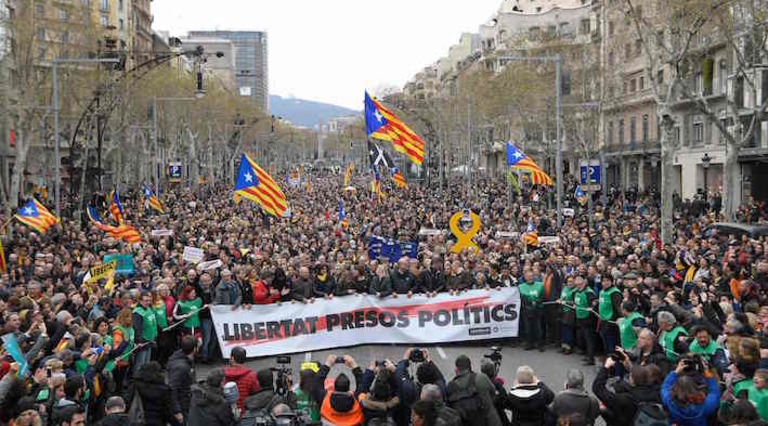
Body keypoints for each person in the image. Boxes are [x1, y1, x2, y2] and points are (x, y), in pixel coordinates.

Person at [592, 358, 664, 425]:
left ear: (632, 379)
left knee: (603, 409)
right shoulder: (657, 392)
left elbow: (598, 388)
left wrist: (606, 367)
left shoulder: (627, 399)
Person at [660, 358, 720, 426]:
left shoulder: (670, 401)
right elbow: (714, 393)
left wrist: (675, 372)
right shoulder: (704, 405)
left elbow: (664, 387)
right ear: (694, 387)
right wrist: (707, 373)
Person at [445, 354, 501, 426]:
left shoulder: (450, 386)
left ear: (456, 369)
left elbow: (449, 409)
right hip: (487, 421)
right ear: (470, 366)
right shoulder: (481, 378)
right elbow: (493, 394)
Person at [128, 361, 182, 426]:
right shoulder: (164, 390)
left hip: (138, 421)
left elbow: (128, 402)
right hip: (158, 422)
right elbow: (168, 412)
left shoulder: (136, 386)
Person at [317, 354, 364, 425]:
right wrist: (354, 365)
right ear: (349, 388)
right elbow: (362, 384)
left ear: (334, 388)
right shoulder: (358, 398)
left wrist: (327, 365)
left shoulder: (324, 398)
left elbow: (317, 383)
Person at [167, 336, 196, 416]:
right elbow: (172, 389)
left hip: (188, 401)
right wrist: (177, 411)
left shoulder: (187, 359)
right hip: (183, 405)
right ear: (194, 349)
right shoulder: (180, 367)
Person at [224, 346, 259, 412]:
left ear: (232, 358)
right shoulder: (251, 375)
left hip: (226, 412)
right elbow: (256, 392)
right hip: (245, 412)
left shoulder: (222, 374)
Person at [131, 292, 158, 377]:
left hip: (150, 340)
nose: (148, 303)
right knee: (140, 364)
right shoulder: (138, 312)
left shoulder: (149, 309)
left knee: (147, 364)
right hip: (143, 342)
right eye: (146, 301)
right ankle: (137, 380)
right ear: (140, 301)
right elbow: (136, 328)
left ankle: (145, 380)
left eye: (149, 301)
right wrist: (139, 341)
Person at [518, 268, 545, 351]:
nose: (529, 278)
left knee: (538, 327)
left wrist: (536, 301)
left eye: (531, 276)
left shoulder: (540, 285)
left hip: (538, 309)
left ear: (533, 276)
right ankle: (529, 343)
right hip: (527, 310)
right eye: (528, 276)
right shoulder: (520, 287)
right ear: (525, 277)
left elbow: (542, 297)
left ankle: (539, 343)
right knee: (528, 328)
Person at [573, 276, 597, 365]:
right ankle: (588, 356)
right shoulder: (577, 291)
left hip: (588, 319)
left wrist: (591, 307)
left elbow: (595, 302)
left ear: (584, 283)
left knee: (589, 339)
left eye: (580, 284)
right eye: (577, 285)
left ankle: (591, 359)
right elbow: (576, 302)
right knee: (584, 339)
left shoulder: (589, 292)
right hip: (580, 318)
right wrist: (575, 305)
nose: (578, 286)